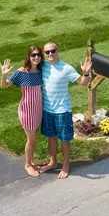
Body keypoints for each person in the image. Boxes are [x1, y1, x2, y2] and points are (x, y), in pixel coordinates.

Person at [39, 41, 92, 179]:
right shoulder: (43, 66)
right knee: (51, 137)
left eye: (53, 51)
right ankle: (53, 162)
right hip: (47, 109)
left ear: (58, 51)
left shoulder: (66, 68)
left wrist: (85, 73)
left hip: (62, 110)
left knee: (64, 139)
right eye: (47, 52)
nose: (50, 54)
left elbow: (82, 82)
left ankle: (66, 165)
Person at [0, 45, 44, 177]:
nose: (36, 57)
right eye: (33, 55)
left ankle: (32, 160)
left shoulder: (41, 71)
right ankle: (28, 164)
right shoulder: (22, 72)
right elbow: (4, 85)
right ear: (29, 57)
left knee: (34, 138)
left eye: (38, 55)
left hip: (38, 110)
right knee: (31, 140)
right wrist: (4, 75)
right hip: (27, 111)